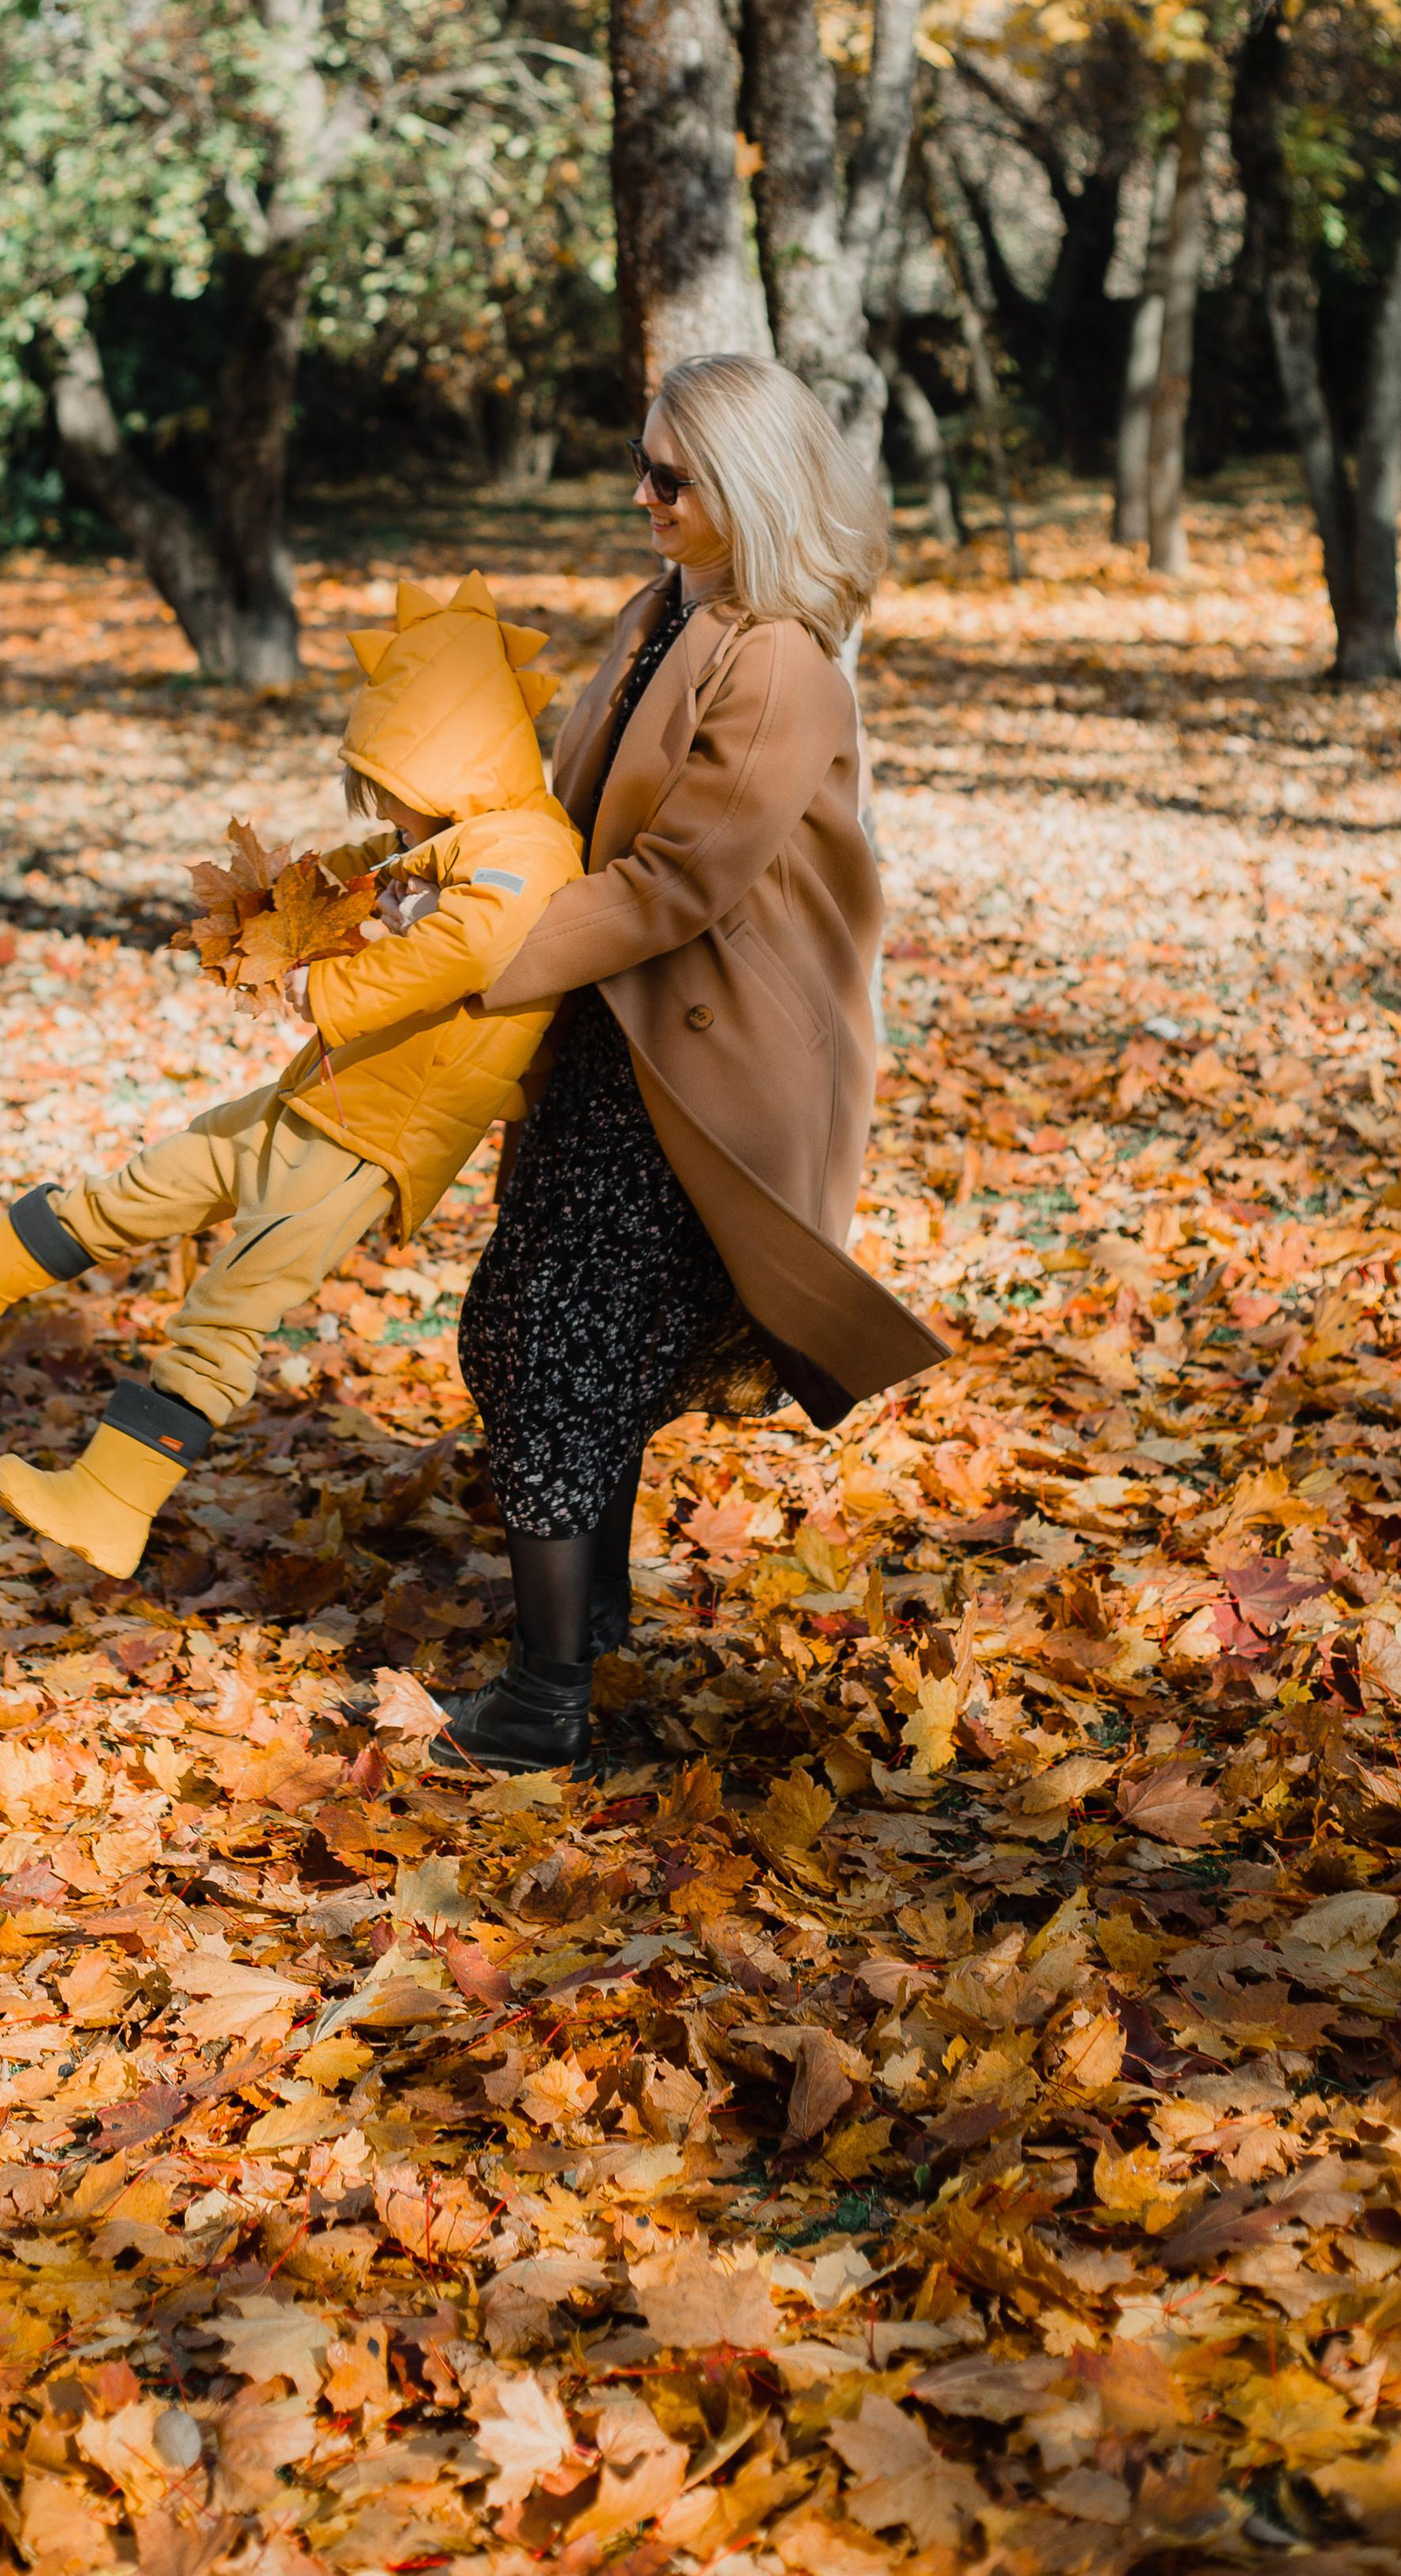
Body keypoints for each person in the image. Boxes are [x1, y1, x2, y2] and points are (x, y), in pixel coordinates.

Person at [438, 355, 946, 1772]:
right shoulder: (661, 612)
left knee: (555, 1348)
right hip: (610, 1041)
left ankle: (547, 1698)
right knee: (533, 1329)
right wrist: (453, 891)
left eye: (676, 478)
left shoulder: (780, 662)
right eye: (646, 467)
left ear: (752, 490)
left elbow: (678, 881)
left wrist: (485, 960)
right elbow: (570, 814)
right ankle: (588, 1619)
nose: (643, 497)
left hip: (708, 1067)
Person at [0, 574, 579, 1581]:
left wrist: (330, 991)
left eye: (386, 789)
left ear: (447, 754)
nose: (380, 815)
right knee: (157, 1178)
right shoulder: (445, 844)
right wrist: (288, 910)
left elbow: (468, 949)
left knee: (229, 1307)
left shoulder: (524, 853)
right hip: (329, 1097)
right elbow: (369, 887)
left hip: (368, 1140)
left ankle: (113, 1499)